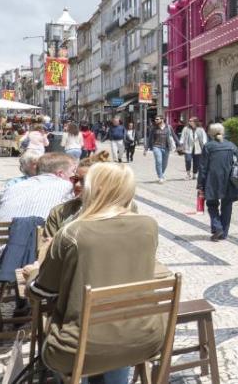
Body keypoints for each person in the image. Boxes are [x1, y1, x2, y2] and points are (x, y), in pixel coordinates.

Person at [33, 163, 163, 384]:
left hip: (77, 348)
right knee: (117, 330)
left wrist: (33, 272)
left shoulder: (72, 233)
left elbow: (42, 290)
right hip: (145, 339)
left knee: (93, 336)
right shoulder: (149, 226)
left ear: (94, 189)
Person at [0, 152, 76, 222]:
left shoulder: (13, 188)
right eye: (73, 171)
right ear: (60, 174)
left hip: (3, 239)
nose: (75, 175)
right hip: (43, 238)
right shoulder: (68, 188)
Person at [197, 122, 238, 241]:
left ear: (210, 133)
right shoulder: (231, 145)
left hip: (213, 179)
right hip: (229, 179)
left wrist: (200, 184)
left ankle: (217, 227)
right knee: (227, 205)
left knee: (212, 204)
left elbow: (203, 167)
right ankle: (224, 233)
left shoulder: (208, 146)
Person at [149, 117, 174, 184]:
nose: (156, 120)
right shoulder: (154, 128)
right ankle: (160, 177)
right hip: (156, 147)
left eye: (157, 119)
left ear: (162, 120)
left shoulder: (168, 127)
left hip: (166, 147)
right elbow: (150, 138)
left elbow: (174, 136)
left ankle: (161, 174)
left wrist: (179, 145)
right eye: (155, 119)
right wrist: (146, 148)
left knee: (165, 163)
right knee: (159, 161)